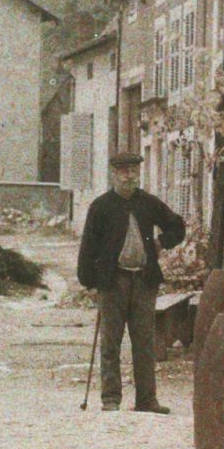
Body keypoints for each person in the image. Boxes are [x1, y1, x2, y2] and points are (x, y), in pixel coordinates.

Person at [76, 152, 186, 413]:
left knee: (144, 343)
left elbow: (177, 226)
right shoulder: (101, 206)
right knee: (110, 342)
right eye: (124, 171)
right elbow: (88, 246)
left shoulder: (148, 203)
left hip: (144, 282)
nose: (130, 176)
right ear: (114, 174)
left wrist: (161, 242)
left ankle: (146, 400)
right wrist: (90, 281)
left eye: (134, 171)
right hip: (113, 283)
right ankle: (110, 398)